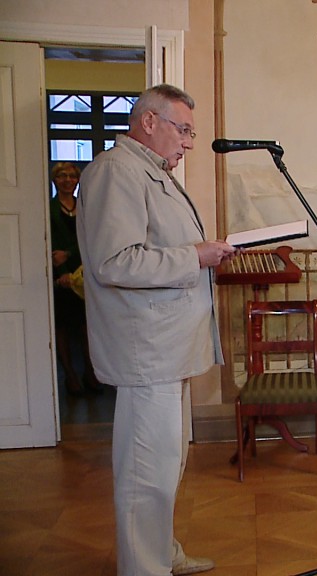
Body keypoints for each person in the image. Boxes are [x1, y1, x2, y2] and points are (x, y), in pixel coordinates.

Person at [77, 84, 236, 576]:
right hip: (146, 352)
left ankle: (161, 555)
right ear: (149, 122)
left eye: (191, 133)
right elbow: (114, 261)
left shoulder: (150, 172)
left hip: (167, 349)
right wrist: (197, 256)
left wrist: (205, 255)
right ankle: (143, 569)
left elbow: (157, 251)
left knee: (165, 466)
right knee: (146, 474)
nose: (189, 142)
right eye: (183, 129)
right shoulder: (116, 172)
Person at [49, 161, 101, 396]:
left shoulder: (86, 207)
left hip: (84, 273)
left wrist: (69, 253)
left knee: (86, 327)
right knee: (62, 327)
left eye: (71, 175)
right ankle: (70, 376)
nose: (67, 180)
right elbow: (49, 242)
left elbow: (92, 239)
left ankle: (91, 373)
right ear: (54, 179)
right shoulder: (48, 208)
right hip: (60, 277)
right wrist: (61, 272)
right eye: (62, 175)